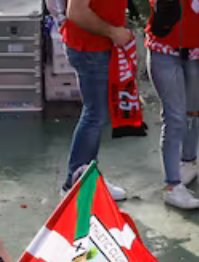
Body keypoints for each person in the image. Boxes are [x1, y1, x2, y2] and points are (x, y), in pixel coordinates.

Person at [57, 0, 133, 198]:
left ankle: (88, 177)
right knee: (95, 115)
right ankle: (74, 184)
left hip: (98, 47)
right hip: (91, 49)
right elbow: (76, 11)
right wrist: (113, 32)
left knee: (97, 114)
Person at [146, 0, 199, 210]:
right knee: (174, 118)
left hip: (195, 51)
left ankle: (188, 161)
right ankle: (172, 185)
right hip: (163, 50)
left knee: (194, 109)